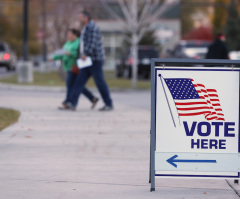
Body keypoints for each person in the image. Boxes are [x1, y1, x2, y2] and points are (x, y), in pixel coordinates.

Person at [65, 11, 113, 111]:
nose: (79, 19)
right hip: (87, 61)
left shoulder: (92, 27)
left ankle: (108, 103)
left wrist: (85, 54)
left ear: (86, 17)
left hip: (95, 60)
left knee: (100, 82)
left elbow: (92, 42)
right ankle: (72, 103)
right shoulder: (86, 27)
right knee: (79, 82)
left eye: (80, 17)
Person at [50, 28, 99, 110]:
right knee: (77, 85)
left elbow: (79, 53)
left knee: (71, 85)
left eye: (69, 34)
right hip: (68, 66)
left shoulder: (79, 42)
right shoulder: (68, 43)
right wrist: (54, 57)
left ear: (75, 35)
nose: (68, 35)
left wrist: (70, 53)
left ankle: (69, 102)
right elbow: (62, 53)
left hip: (76, 66)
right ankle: (92, 98)